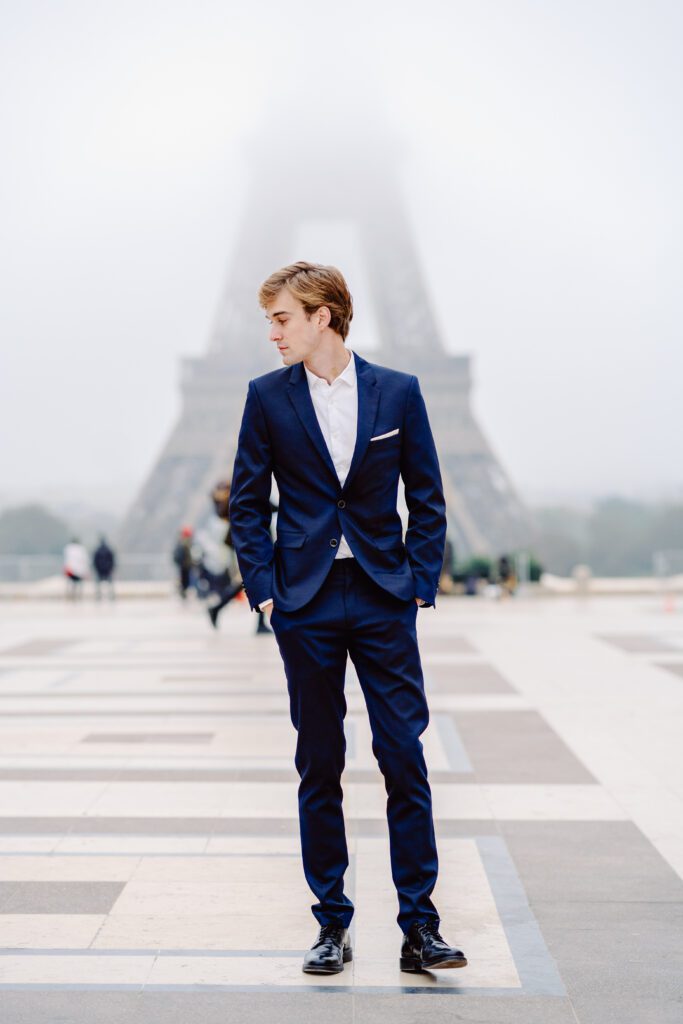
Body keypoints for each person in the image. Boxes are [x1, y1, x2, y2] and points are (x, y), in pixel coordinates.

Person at [229, 262, 467, 976]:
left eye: (281, 319)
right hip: (303, 600)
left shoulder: (399, 391)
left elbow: (425, 495)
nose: (270, 333)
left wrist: (417, 583)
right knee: (320, 762)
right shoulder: (265, 398)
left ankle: (419, 925)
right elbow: (247, 503)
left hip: (380, 595)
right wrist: (266, 592)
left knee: (403, 756)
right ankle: (331, 923)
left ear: (322, 316)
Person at [172, 526, 195, 599]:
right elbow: (186, 555)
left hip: (184, 565)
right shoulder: (184, 543)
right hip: (184, 565)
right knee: (185, 580)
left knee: (184, 579)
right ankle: (183, 592)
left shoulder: (182, 543)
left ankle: (183, 592)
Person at [92, 536, 116, 601]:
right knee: (110, 584)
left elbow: (95, 561)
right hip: (107, 570)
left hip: (100, 571)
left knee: (98, 584)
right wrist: (111, 568)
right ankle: (112, 595)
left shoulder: (97, 550)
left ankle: (98, 596)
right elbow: (112, 560)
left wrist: (96, 569)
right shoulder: (109, 550)